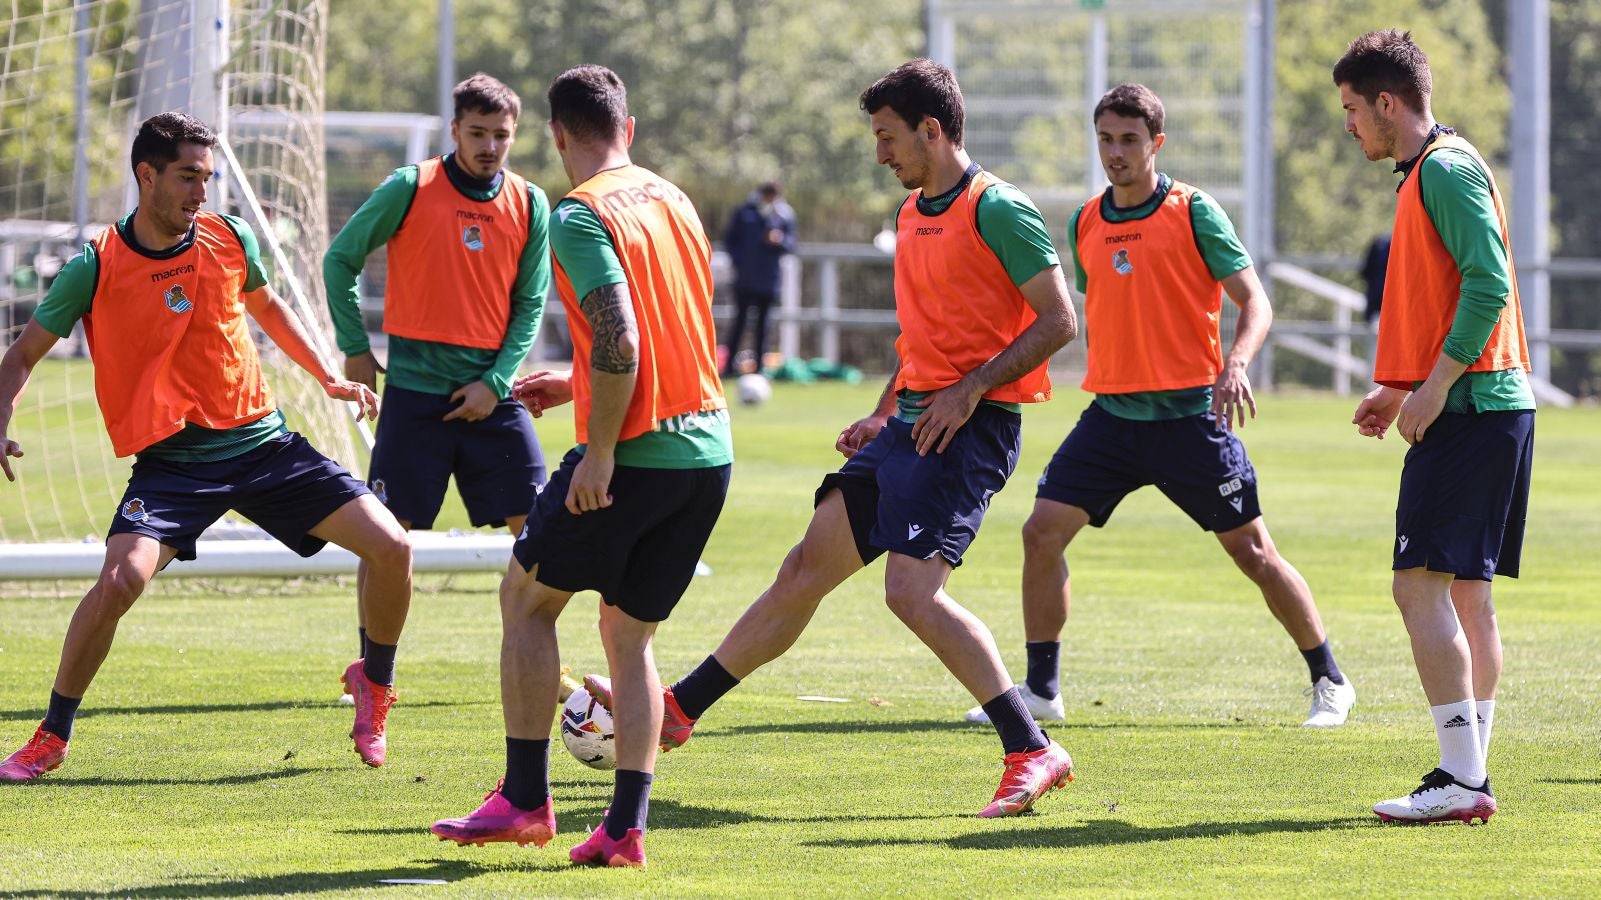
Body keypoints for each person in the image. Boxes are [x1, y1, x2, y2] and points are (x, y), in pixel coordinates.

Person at [587, 58, 1080, 819]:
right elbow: (925, 340)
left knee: (911, 593)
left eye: (887, 138)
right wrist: (888, 409)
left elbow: (1059, 321)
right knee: (805, 567)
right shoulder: (917, 210)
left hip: (969, 426)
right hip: (912, 420)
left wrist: (969, 388)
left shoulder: (998, 208)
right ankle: (680, 710)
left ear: (930, 129)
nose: (880, 153)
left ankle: (1031, 747)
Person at [0, 112, 412, 782]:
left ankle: (375, 681)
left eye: (208, 178)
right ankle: (51, 735)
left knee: (393, 546)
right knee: (119, 581)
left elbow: (268, 307)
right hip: (175, 465)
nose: (201, 192)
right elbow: (19, 358)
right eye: (188, 177)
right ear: (147, 175)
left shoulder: (229, 237)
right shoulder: (95, 266)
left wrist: (328, 378)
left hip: (264, 446)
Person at [969, 83, 1357, 731]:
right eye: (1105, 139)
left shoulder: (1193, 211)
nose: (1115, 153)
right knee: (1040, 533)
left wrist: (1234, 365)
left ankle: (1330, 679)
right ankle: (1040, 691)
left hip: (1187, 421)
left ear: (1156, 143)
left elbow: (1254, 301)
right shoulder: (1086, 220)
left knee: (1253, 553)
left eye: (1128, 140)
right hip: (1111, 419)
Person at [429, 64, 733, 868]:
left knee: (525, 599)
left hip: (634, 453)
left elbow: (625, 338)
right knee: (627, 636)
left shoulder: (578, 212)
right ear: (625, 127)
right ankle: (625, 829)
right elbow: (676, 328)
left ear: (558, 137)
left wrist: (598, 450)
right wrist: (578, 376)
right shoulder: (672, 198)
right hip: (707, 451)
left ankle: (525, 802)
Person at [1336, 29, 1533, 824]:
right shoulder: (1432, 167)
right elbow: (1454, 293)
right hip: (1485, 406)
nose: (1349, 126)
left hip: (1472, 408)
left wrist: (1435, 387)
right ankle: (1469, 770)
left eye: (1352, 110)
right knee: (1468, 598)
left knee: (1416, 588)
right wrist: (1401, 386)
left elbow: (1487, 286)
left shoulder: (1443, 170)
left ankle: (1459, 780)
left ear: (1388, 104)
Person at [324, 73, 551, 698]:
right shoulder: (410, 186)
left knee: (540, 531)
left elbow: (531, 302)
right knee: (386, 540)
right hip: (415, 399)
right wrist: (354, 347)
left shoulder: (532, 203)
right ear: (454, 130)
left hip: (494, 398)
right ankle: (371, 673)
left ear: (514, 135)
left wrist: (496, 381)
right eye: (477, 133)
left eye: (501, 135)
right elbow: (339, 258)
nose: (489, 146)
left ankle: (540, 658)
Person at [720, 181, 797, 376]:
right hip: (745, 278)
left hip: (768, 279)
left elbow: (791, 244)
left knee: (764, 325)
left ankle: (759, 368)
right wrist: (740, 262)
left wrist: (779, 241)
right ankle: (729, 367)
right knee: (739, 322)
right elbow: (730, 241)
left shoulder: (784, 215)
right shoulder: (745, 212)